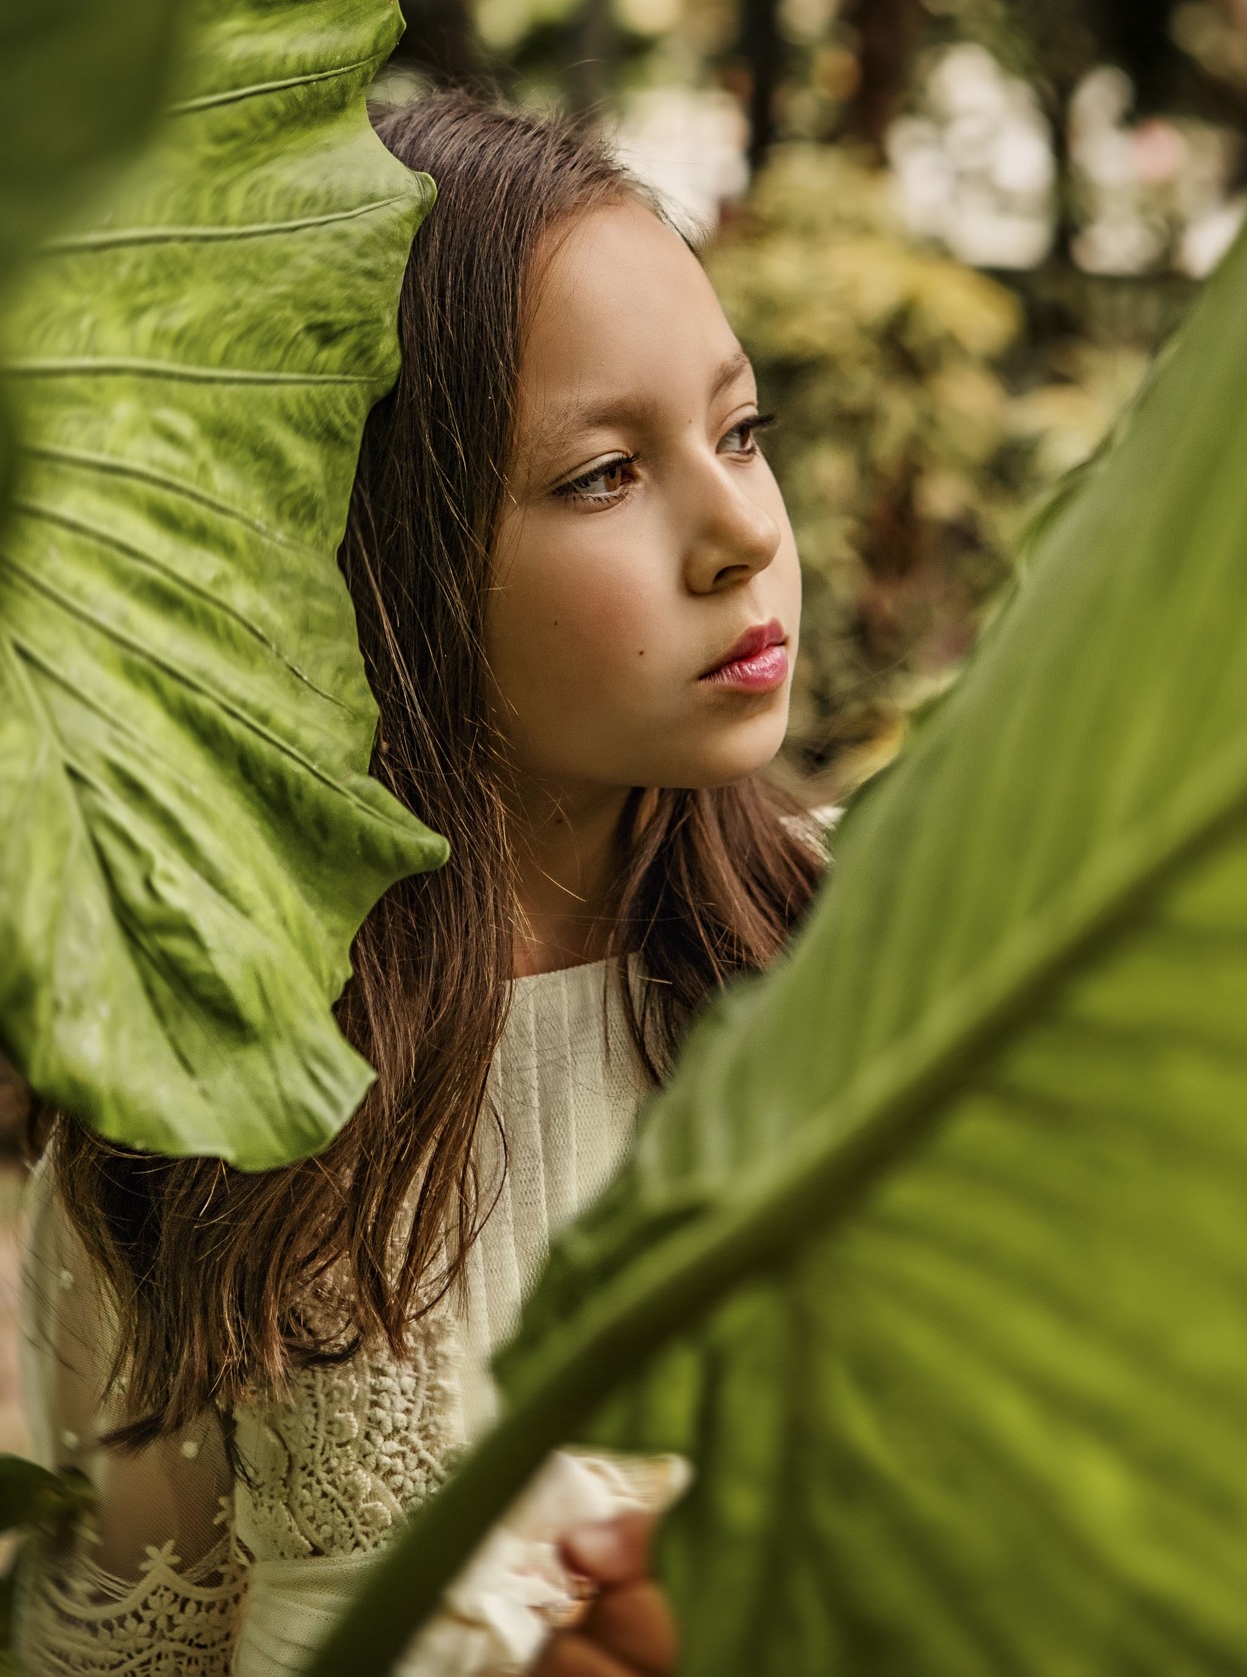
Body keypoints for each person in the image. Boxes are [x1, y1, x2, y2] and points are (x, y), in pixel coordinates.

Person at [15, 93, 826, 1675]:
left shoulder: (895, 980)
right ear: (368, 565)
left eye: (738, 430)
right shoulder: (196, 1125)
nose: (741, 531)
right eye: (601, 475)